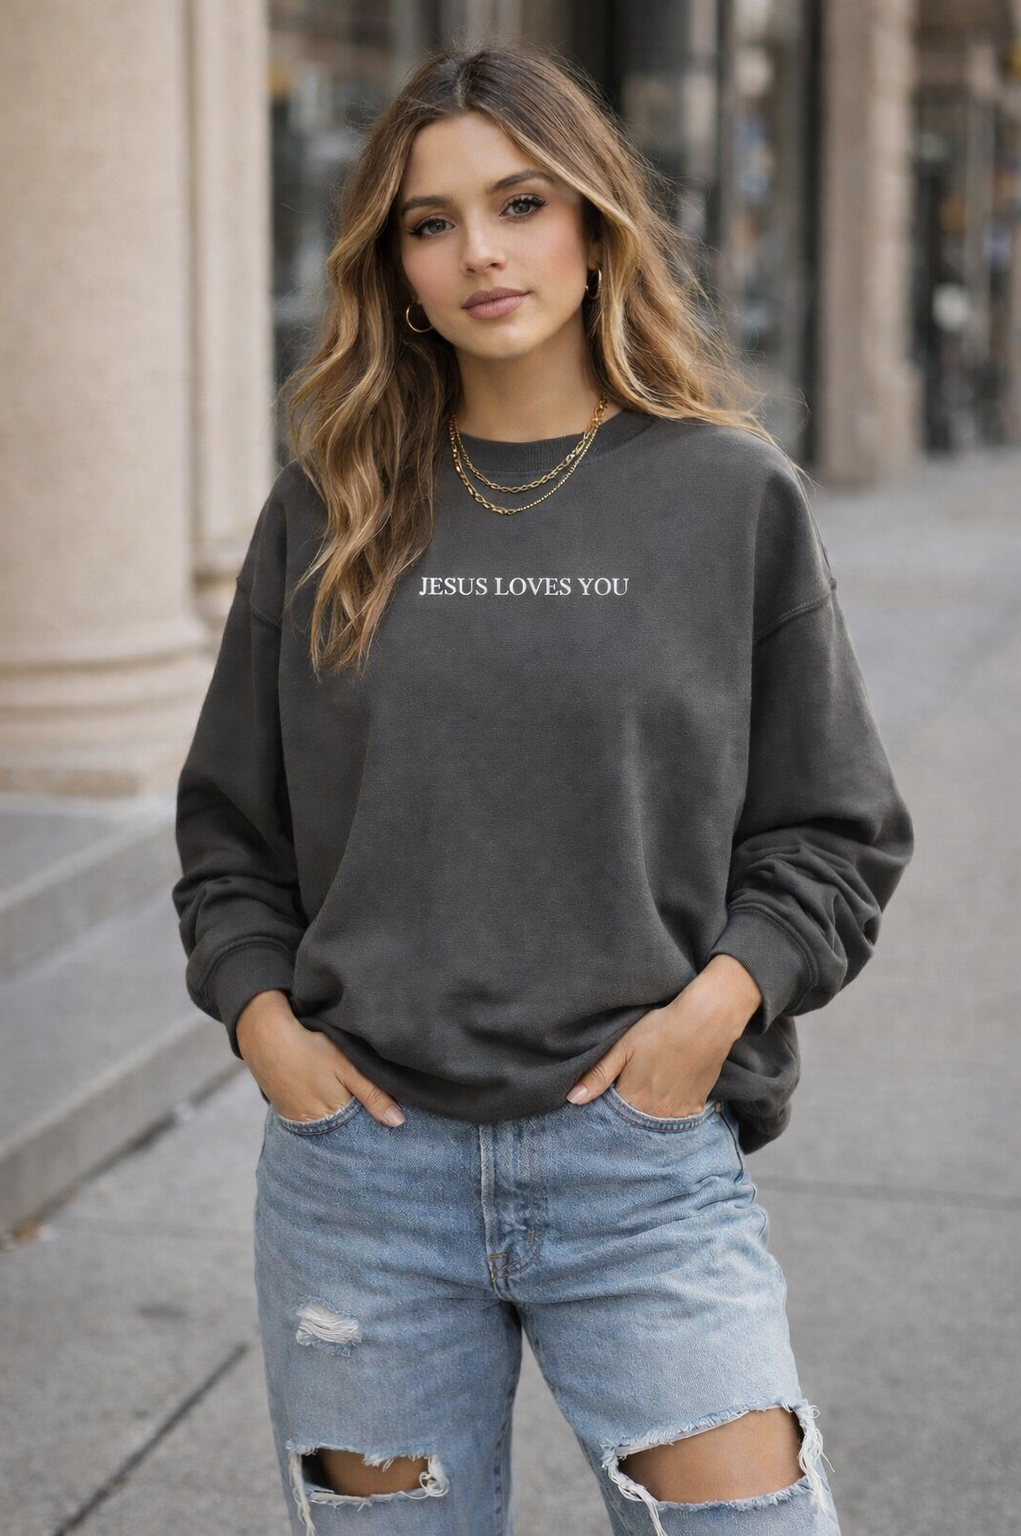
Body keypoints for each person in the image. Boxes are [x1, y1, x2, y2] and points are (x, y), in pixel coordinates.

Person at [172, 41, 914, 1536]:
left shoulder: (729, 495)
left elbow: (834, 832)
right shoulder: (328, 504)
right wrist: (267, 1029)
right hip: (363, 1178)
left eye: (520, 203)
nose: (481, 253)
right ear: (393, 266)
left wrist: (709, 1018)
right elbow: (231, 837)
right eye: (430, 222)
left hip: (637, 1166)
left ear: (593, 221)